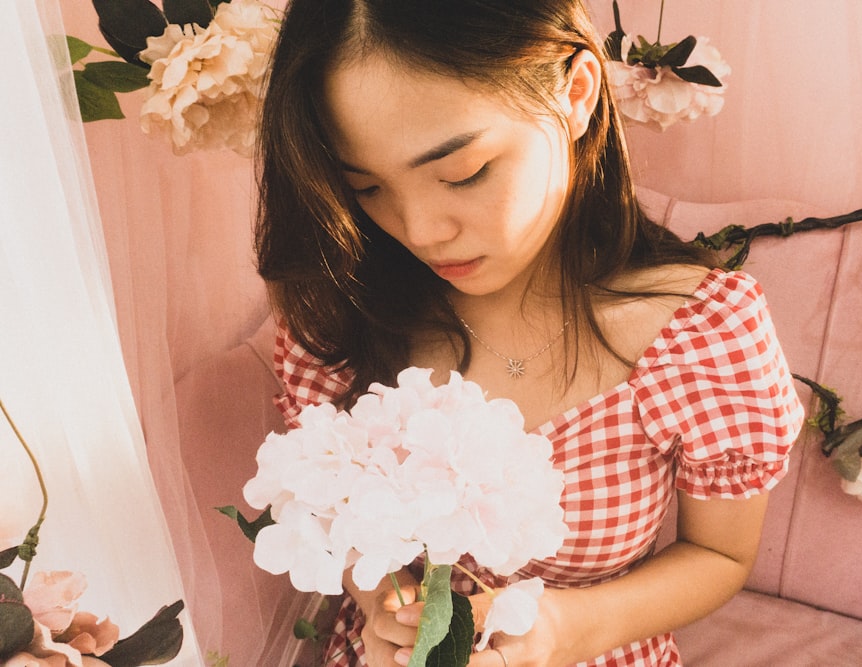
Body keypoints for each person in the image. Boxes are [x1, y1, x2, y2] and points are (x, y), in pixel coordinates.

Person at [254, 1, 804, 665]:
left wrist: (564, 628)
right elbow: (333, 516)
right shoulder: (338, 311)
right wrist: (386, 604)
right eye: (367, 188)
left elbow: (720, 552)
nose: (420, 228)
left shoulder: (700, 335)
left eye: (464, 173)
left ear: (575, 93)